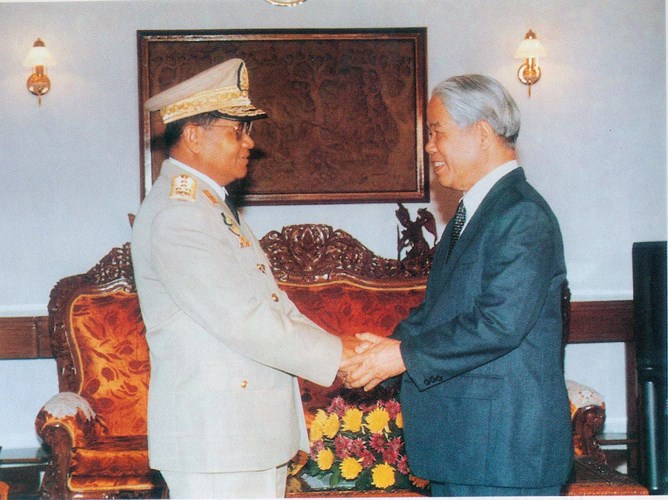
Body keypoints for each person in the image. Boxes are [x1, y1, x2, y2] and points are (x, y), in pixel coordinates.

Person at [131, 58, 357, 498]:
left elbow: (271, 305)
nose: (249, 142)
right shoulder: (180, 215)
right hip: (218, 440)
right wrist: (340, 356)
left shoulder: (207, 205)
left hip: (241, 436)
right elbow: (244, 320)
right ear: (194, 136)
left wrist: (340, 347)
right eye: (238, 130)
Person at [341, 74, 573, 496]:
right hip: (467, 447)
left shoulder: (521, 215)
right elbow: (439, 313)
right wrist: (379, 352)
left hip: (503, 455)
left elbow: (499, 323)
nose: (430, 147)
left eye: (437, 132)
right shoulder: (474, 213)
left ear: (481, 133)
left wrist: (401, 356)